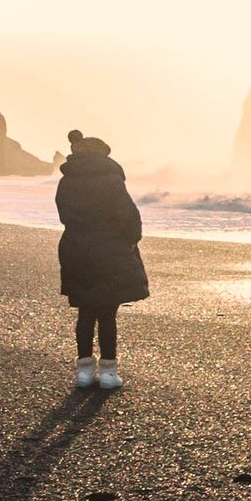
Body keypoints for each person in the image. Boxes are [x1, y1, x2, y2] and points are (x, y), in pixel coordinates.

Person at [55, 129, 146, 391]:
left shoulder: (66, 180)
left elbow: (64, 214)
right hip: (109, 251)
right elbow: (129, 216)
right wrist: (131, 240)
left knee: (85, 312)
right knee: (107, 313)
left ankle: (84, 372)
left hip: (75, 248)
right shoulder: (111, 179)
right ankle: (108, 373)